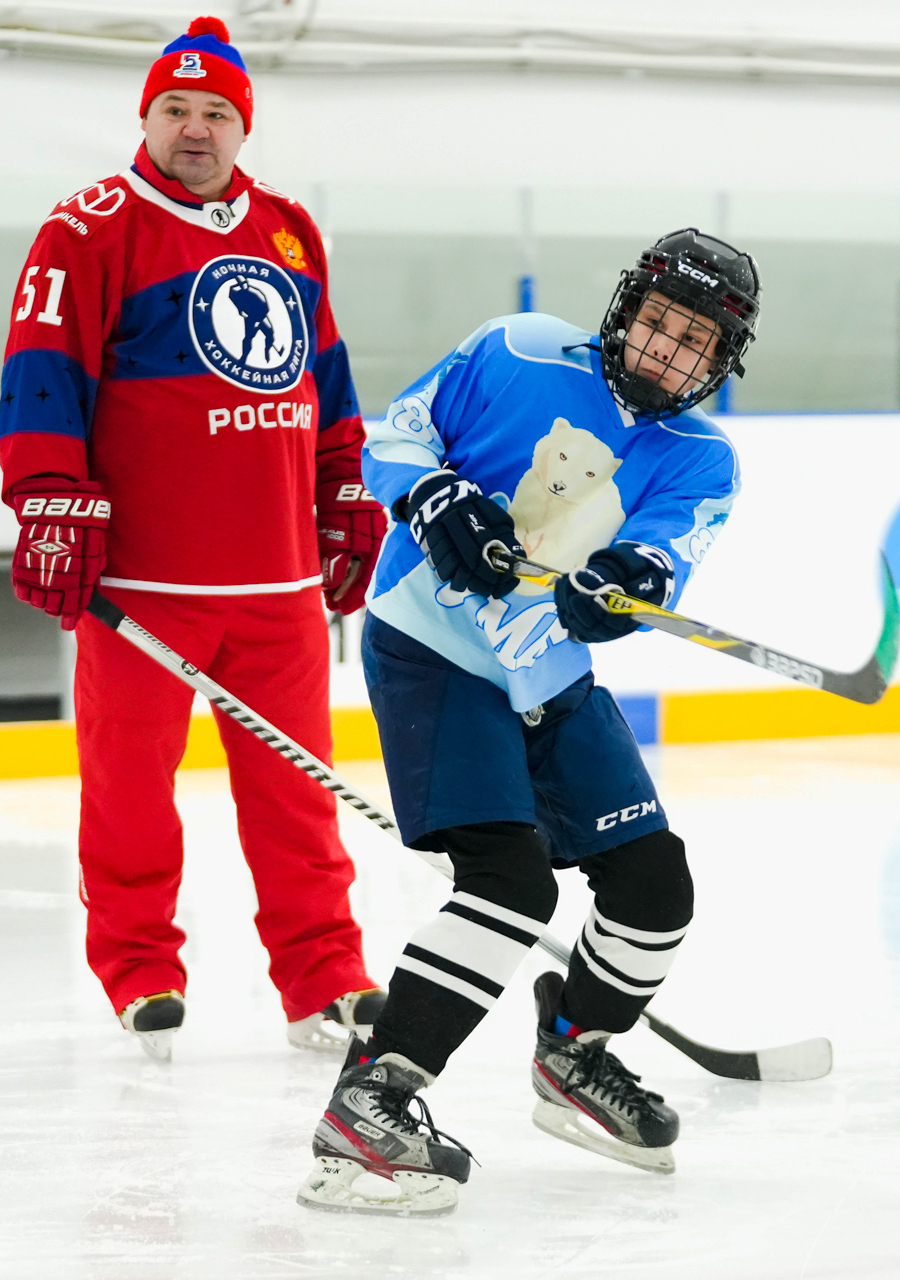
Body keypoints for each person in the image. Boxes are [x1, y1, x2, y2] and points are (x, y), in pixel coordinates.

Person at [297, 229, 761, 1215]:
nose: (667, 349)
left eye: (695, 342)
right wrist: (432, 492)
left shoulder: (701, 461)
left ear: (720, 364)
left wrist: (624, 586)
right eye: (661, 323)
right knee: (508, 880)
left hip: (550, 673)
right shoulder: (518, 350)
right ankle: (371, 1101)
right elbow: (398, 434)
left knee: (653, 886)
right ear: (626, 307)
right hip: (432, 645)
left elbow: (659, 560)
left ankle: (575, 1049)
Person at [0, 16, 388, 1061]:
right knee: (128, 793)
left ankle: (325, 971)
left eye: (217, 111)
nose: (196, 128)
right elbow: (42, 370)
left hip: (276, 581)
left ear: (242, 127)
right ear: (147, 116)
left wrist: (345, 487)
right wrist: (46, 492)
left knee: (299, 794)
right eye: (176, 107)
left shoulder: (291, 231)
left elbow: (328, 384)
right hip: (145, 584)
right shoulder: (87, 229)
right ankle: (139, 969)